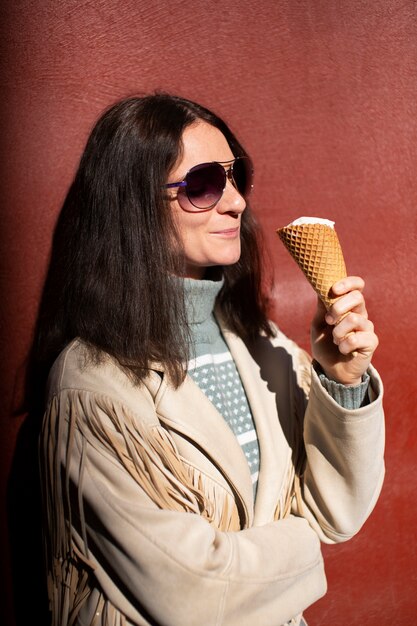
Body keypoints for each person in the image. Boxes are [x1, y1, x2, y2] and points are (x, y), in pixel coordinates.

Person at [33, 93, 385, 626]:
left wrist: (341, 384)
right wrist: (300, 539)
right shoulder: (91, 385)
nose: (236, 202)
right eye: (203, 184)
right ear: (135, 205)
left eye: (234, 176)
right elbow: (190, 594)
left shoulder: (261, 343)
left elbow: (337, 512)